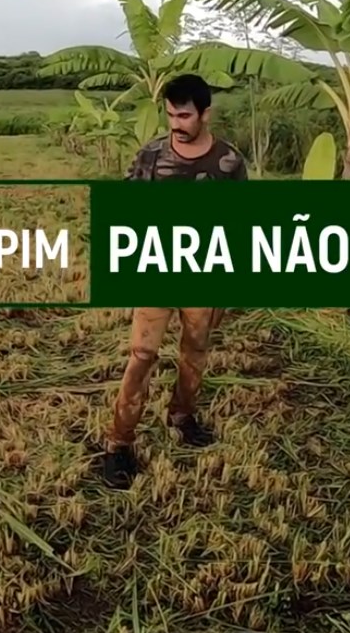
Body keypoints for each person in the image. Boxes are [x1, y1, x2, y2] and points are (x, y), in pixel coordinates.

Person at [101, 73, 248, 489]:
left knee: (195, 351)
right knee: (142, 356)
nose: (175, 124)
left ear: (205, 113)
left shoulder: (230, 163)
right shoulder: (150, 157)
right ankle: (119, 443)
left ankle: (182, 415)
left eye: (183, 116)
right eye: (169, 115)